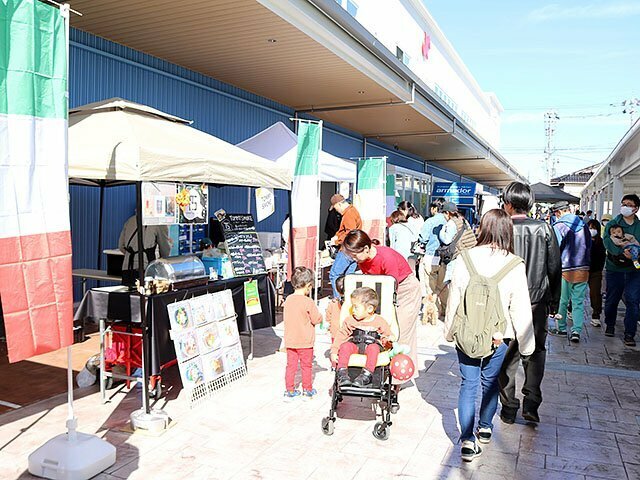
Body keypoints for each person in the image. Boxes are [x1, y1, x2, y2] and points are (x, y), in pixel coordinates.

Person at [444, 209, 535, 462]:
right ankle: (484, 426)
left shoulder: (465, 258)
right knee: (490, 381)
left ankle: (466, 440)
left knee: (468, 384)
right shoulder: (514, 264)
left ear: (482, 228)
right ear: (507, 231)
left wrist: (449, 329)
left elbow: (455, 297)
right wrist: (527, 345)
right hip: (499, 335)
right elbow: (520, 306)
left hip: (466, 332)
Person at [498, 182, 562, 425]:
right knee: (535, 353)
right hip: (537, 302)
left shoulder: (501, 228)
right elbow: (555, 267)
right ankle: (531, 404)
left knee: (507, 355)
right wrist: (554, 301)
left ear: (509, 203)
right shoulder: (544, 228)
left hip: (506, 302)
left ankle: (508, 407)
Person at [342, 230, 421, 389]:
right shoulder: (361, 260)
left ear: (366, 248)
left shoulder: (386, 257)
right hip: (382, 291)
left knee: (400, 333)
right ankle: (379, 372)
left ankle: (397, 381)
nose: (353, 258)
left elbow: (392, 286)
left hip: (405, 290)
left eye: (355, 254)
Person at [331, 287, 392, 388]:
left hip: (371, 347)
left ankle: (366, 375)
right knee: (346, 346)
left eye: (356, 307)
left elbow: (386, 335)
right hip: (356, 346)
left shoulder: (379, 321)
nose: (353, 310)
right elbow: (341, 335)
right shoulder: (350, 320)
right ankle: (342, 374)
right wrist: (334, 351)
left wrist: (388, 341)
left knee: (374, 348)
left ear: (369, 309)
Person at [550, 201, 591, 343]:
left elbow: (554, 249)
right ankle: (576, 330)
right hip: (583, 268)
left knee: (562, 300)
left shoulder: (559, 226)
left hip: (565, 269)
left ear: (558, 212)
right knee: (578, 302)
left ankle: (561, 328)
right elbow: (589, 245)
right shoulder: (583, 225)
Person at [602, 194, 640, 346]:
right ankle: (610, 324)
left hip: (635, 269)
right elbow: (606, 241)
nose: (624, 206)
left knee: (632, 300)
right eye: (623, 203)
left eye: (628, 204)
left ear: (635, 208)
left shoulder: (639, 226)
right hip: (615, 268)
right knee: (612, 299)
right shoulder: (613, 224)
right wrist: (620, 253)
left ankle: (629, 333)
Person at [283, 266, 323, 399]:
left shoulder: (288, 300)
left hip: (290, 340)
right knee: (306, 366)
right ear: (308, 286)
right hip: (305, 341)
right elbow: (316, 319)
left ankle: (289, 389)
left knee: (291, 366)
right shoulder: (308, 302)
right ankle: (307, 389)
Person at [118, 214, 172, 286]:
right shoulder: (158, 222)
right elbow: (165, 252)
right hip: (146, 268)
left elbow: (121, 246)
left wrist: (132, 255)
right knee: (144, 295)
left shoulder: (130, 220)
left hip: (127, 267)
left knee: (129, 296)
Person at [328, 194, 363, 298]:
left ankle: (338, 300)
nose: (336, 211)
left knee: (334, 275)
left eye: (335, 208)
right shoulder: (352, 211)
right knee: (349, 277)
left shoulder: (349, 214)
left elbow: (349, 233)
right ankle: (348, 298)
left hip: (347, 249)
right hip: (354, 250)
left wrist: (337, 241)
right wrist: (337, 235)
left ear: (339, 204)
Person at [418, 198, 447, 316]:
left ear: (434, 208)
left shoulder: (430, 221)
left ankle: (433, 311)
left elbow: (423, 238)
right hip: (445, 259)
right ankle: (444, 310)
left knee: (429, 285)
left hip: (431, 256)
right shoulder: (448, 221)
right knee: (443, 286)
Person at [439, 202, 477, 284]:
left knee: (452, 281)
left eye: (444, 214)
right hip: (468, 253)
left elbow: (447, 240)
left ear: (447, 213)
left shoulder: (451, 223)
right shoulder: (463, 220)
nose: (444, 217)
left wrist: (442, 230)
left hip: (458, 254)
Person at [587, 219, 606, 327]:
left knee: (595, 293)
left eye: (593, 228)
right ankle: (571, 309)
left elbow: (602, 257)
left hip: (595, 271)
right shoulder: (583, 240)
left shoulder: (601, 242)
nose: (591, 230)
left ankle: (596, 315)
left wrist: (599, 268)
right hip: (583, 270)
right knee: (576, 292)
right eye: (589, 228)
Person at [325, 276, 345, 347]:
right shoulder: (351, 304)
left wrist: (329, 327)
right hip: (346, 333)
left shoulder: (333, 303)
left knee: (335, 348)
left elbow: (328, 317)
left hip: (335, 331)